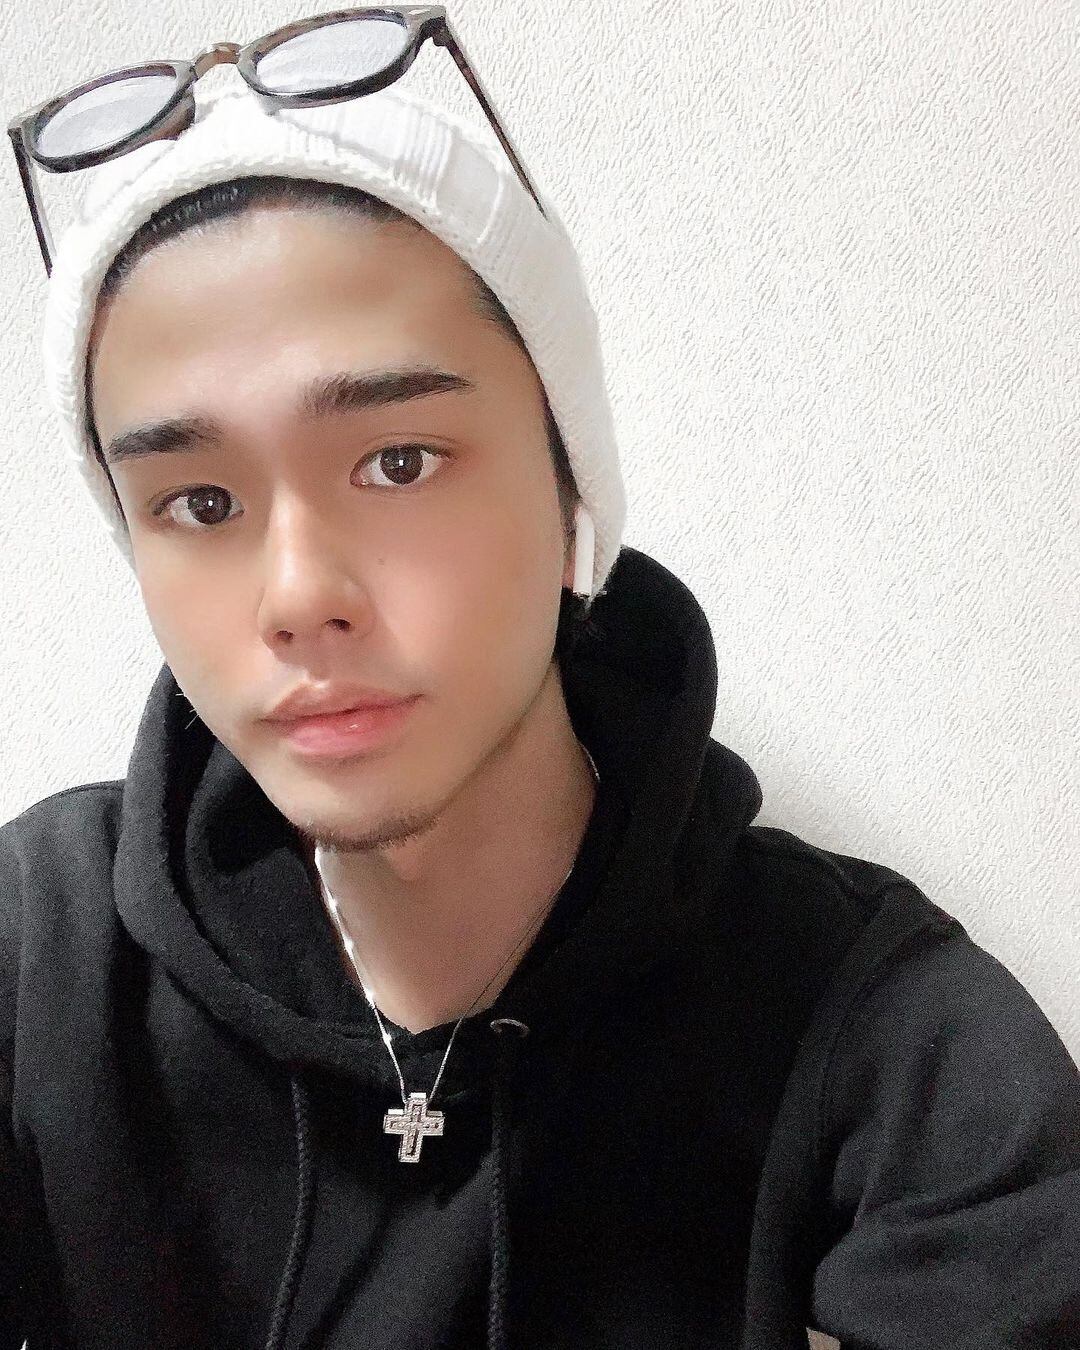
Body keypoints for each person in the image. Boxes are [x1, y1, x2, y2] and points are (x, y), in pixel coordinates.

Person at [3, 23, 1078, 1350]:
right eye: (200, 501)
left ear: (575, 489)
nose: (295, 595)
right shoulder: (40, 952)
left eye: (398, 462)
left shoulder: (874, 1027)